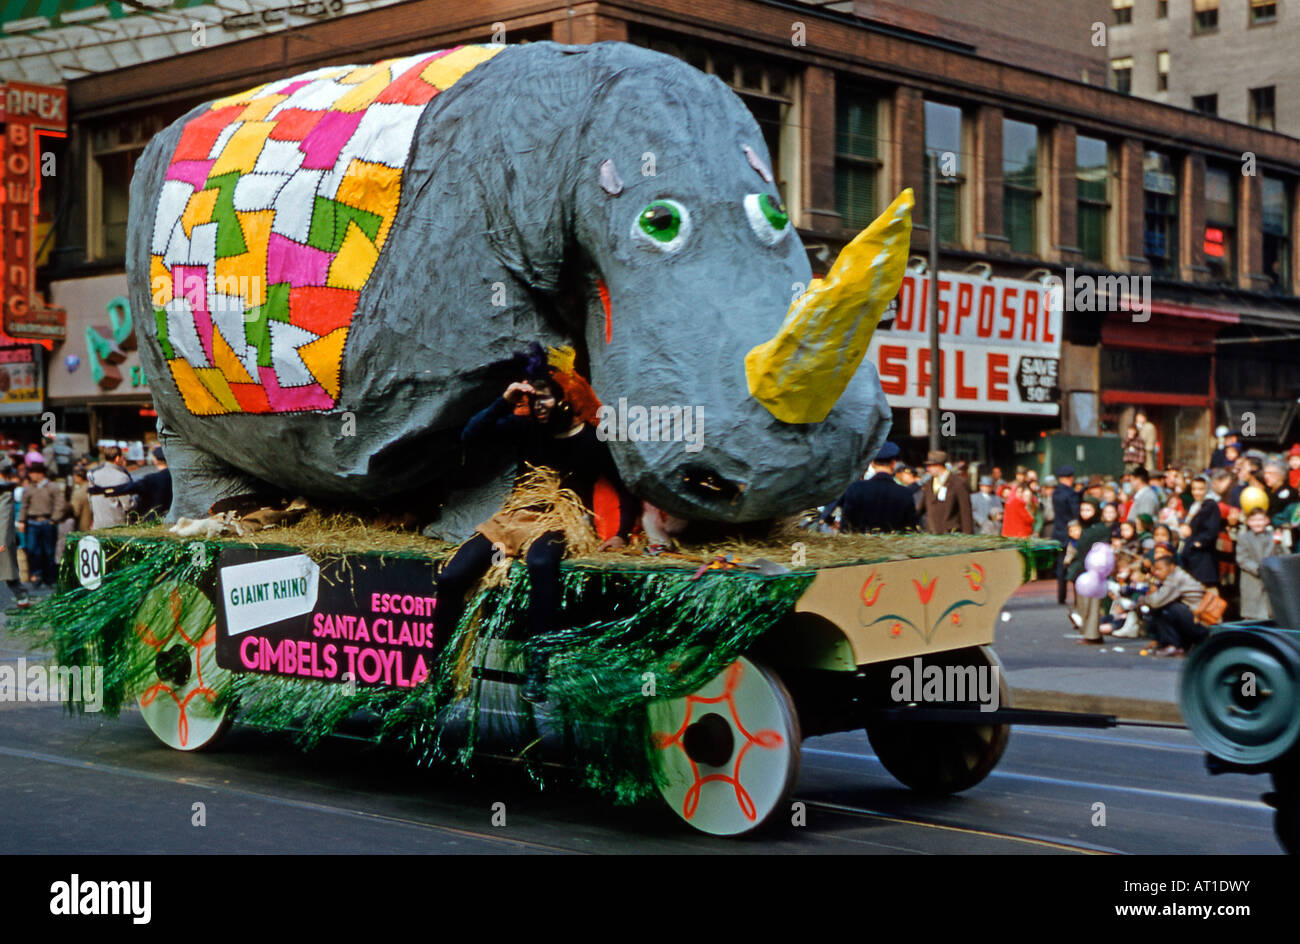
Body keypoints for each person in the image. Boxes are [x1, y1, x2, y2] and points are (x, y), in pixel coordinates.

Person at [434, 349, 638, 703]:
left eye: (544, 394)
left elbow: (626, 488)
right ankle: (440, 671)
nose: (537, 403)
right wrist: (504, 401)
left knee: (543, 563)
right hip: (514, 518)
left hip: (560, 520)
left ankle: (538, 668)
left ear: (564, 396)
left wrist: (620, 534)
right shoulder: (525, 428)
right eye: (532, 395)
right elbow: (470, 435)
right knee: (451, 578)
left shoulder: (592, 439)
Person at [828, 442, 919, 533]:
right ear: (893, 464)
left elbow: (835, 515)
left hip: (858, 545)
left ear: (872, 463)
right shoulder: (905, 493)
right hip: (891, 546)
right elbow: (910, 529)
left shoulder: (855, 488)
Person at [1139, 554, 1206, 657]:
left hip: (1199, 621)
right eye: (1155, 569)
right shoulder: (1174, 576)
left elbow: (1156, 601)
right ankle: (1178, 645)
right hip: (1191, 616)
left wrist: (1143, 599)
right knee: (1166, 607)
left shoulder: (1176, 578)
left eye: (1159, 569)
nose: (1156, 573)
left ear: (1172, 567)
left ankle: (1172, 645)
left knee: (1163, 608)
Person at [1068, 497, 1112, 644]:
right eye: (1082, 510)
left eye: (1088, 510)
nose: (1085, 513)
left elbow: (1102, 550)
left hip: (1094, 569)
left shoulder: (1100, 529)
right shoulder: (1084, 527)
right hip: (1080, 568)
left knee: (1092, 604)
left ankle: (1093, 635)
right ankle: (1088, 632)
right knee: (1082, 603)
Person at [17, 462, 65, 589]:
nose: (30, 475)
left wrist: (54, 519)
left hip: (47, 521)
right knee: (33, 550)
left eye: (32, 473)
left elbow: (59, 504)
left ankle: (50, 577)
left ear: (40, 474)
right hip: (32, 522)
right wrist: (21, 521)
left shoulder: (52, 487)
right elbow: (24, 506)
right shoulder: (28, 489)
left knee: (49, 550)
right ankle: (36, 575)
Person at [91, 447, 172, 522]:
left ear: (155, 460)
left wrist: (103, 491)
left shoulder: (94, 474)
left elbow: (127, 493)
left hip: (100, 521)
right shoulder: (175, 477)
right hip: (169, 519)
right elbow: (128, 504)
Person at [1236, 508, 1280, 621]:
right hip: (1253, 581)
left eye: (1261, 520)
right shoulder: (1244, 538)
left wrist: (1279, 544)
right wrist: (1259, 569)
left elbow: (1283, 555)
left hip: (1271, 581)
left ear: (1266, 521)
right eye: (1254, 520)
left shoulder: (1273, 536)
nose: (1258, 523)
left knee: (1272, 614)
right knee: (1253, 617)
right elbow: (1242, 559)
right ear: (1248, 522)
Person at [1179, 476, 1221, 587]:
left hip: (1203, 555)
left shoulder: (1210, 505)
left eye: (1200, 489)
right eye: (1194, 489)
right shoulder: (1195, 505)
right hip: (1192, 553)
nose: (1196, 492)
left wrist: (1198, 542)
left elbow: (1211, 529)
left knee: (1205, 590)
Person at [920, 451, 973, 534]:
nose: (927, 469)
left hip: (951, 535)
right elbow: (921, 508)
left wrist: (968, 537)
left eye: (930, 466)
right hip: (931, 536)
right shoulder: (928, 483)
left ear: (938, 465)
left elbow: (965, 513)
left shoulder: (958, 483)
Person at [0, 464, 29, 606]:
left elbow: (4, 519)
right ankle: (21, 596)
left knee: (8, 572)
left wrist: (2, 541)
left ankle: (22, 596)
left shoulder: (4, 492)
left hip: (2, 537)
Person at [1051, 466, 1080, 605]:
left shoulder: (1055, 493)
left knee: (1060, 567)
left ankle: (1061, 596)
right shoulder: (1071, 494)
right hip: (1071, 533)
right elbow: (1075, 513)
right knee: (1075, 563)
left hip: (1058, 532)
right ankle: (1077, 595)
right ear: (1070, 477)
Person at [87, 446, 134, 529]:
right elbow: (128, 505)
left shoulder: (94, 475)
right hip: (117, 527)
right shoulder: (122, 477)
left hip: (98, 525)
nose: (124, 460)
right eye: (123, 457)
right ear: (117, 458)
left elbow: (90, 501)